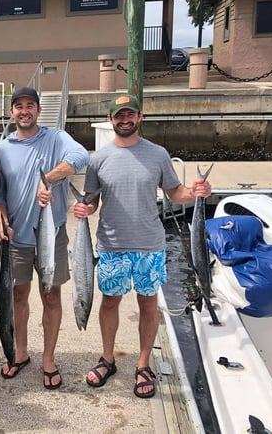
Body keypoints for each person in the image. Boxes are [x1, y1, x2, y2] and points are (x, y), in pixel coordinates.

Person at [73, 94, 211, 399]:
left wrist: (196, 192)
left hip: (150, 245)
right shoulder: (98, 159)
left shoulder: (158, 154)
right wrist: (84, 209)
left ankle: (143, 364)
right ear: (110, 120)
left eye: (130, 115)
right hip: (112, 244)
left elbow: (175, 192)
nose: (125, 120)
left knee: (148, 305)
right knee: (110, 302)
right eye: (119, 116)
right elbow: (92, 200)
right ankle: (107, 359)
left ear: (140, 117)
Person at [0, 86, 89, 390]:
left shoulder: (56, 137)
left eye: (30, 105)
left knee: (51, 295)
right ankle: (20, 353)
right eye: (18, 106)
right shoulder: (1, 148)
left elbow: (81, 155)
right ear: (12, 112)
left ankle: (48, 358)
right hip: (16, 237)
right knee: (18, 296)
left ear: (38, 109)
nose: (24, 111)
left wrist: (50, 178)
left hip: (53, 234)